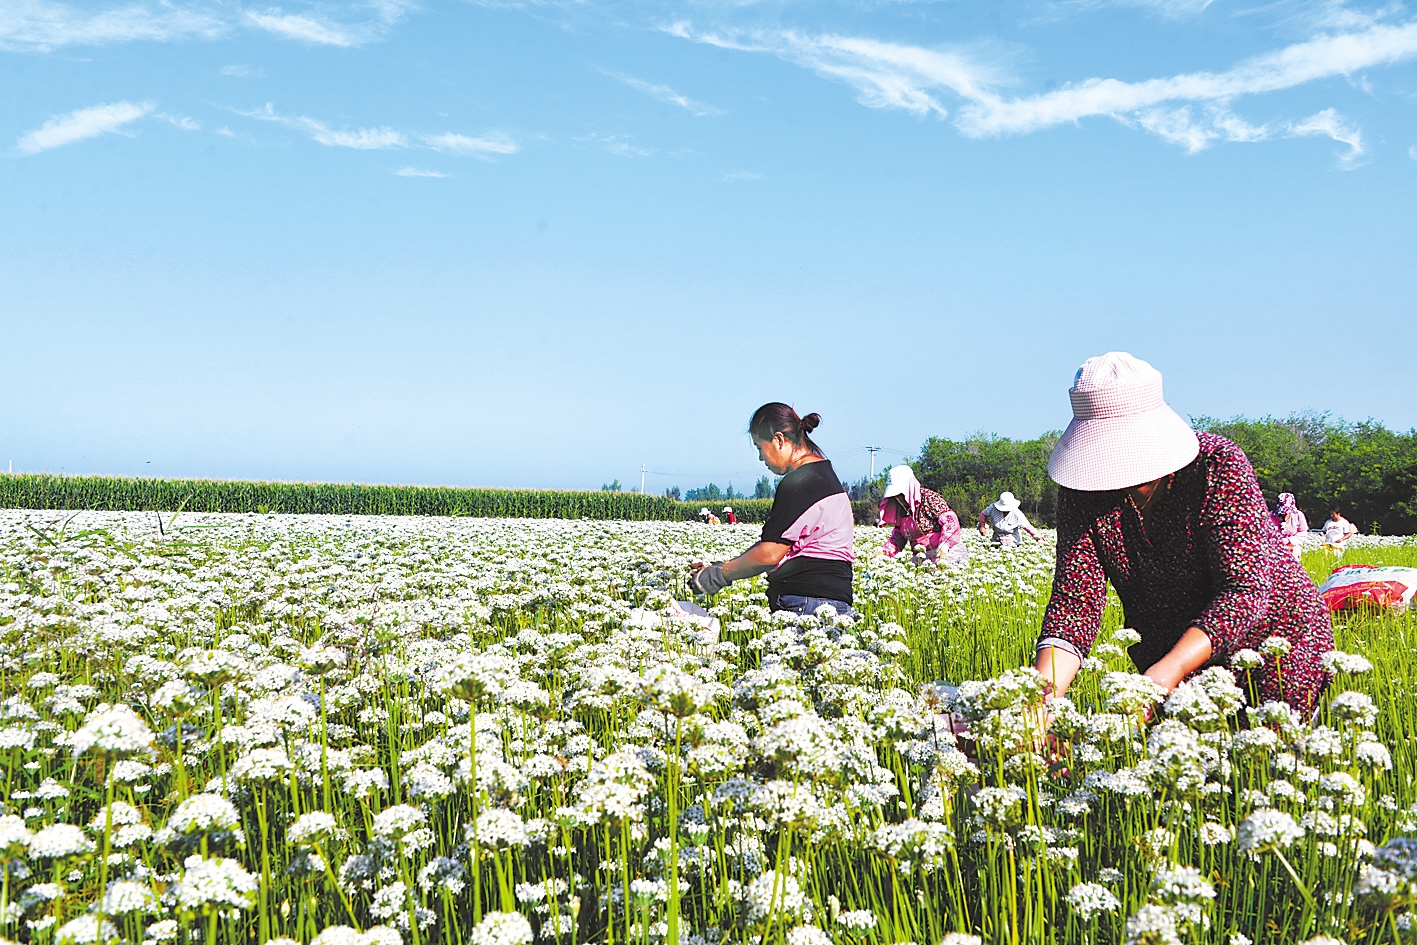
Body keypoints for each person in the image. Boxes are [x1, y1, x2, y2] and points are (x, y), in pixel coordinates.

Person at [1031, 352, 1333, 716]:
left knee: (1261, 766)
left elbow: (1245, 588)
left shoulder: (1215, 466)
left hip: (1273, 643)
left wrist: (1171, 669)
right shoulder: (1081, 492)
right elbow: (1074, 604)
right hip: (1167, 654)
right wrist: (1040, 700)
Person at [689, 404, 855, 615]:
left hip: (806, 601)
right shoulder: (824, 474)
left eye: (760, 447)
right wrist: (725, 565)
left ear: (778, 439)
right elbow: (780, 542)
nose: (761, 458)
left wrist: (718, 575)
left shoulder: (800, 482)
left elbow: (770, 554)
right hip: (833, 602)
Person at [877, 465, 968, 565]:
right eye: (895, 495)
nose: (898, 498)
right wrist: (884, 551)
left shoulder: (929, 498)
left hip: (948, 553)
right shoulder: (901, 509)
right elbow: (898, 539)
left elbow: (951, 522)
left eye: (900, 494)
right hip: (922, 557)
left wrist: (945, 544)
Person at [1270, 493, 1308, 560]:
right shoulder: (1270, 516)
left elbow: (1303, 532)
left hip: (1293, 546)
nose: (1284, 514)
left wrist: (1288, 541)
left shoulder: (1298, 515)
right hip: (1274, 547)